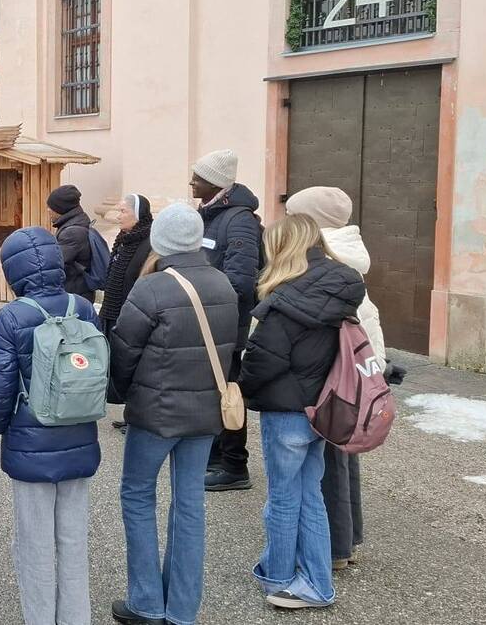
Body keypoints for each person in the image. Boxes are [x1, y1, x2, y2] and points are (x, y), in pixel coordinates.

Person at [107, 203, 238, 625]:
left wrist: (119, 394)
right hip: (205, 412)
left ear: (160, 240)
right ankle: (182, 609)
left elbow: (123, 351)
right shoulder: (223, 283)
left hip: (155, 412)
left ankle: (146, 601)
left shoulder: (151, 289)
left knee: (138, 494)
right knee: (189, 504)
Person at [240, 214, 364, 611]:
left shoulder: (287, 297)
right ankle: (317, 581)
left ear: (282, 247)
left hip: (286, 409)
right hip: (322, 407)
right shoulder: (341, 290)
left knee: (282, 497)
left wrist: (241, 386)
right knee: (310, 495)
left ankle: (279, 576)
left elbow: (264, 360)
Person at [0, 227, 101, 625]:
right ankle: (76, 617)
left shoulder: (13, 316)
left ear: (12, 271)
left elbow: (1, 387)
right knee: (73, 539)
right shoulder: (82, 307)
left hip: (30, 441)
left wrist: (1, 426)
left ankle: (40, 617)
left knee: (34, 542)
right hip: (80, 434)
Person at [283, 186, 382, 571]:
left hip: (330, 373)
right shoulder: (346, 253)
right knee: (341, 457)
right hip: (347, 372)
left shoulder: (327, 258)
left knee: (326, 464)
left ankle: (334, 548)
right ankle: (346, 540)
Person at [189, 149, 263, 492]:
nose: (192, 182)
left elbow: (241, 281)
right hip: (206, 319)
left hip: (224, 323)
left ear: (215, 183)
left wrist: (207, 302)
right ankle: (213, 456)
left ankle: (234, 465)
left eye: (198, 177)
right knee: (211, 390)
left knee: (228, 391)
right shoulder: (209, 213)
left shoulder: (239, 220)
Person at [99, 194, 155, 333]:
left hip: (132, 320)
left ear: (137, 214)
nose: (118, 217)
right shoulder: (123, 240)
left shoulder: (150, 244)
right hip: (111, 314)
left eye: (123, 211)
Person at [48, 184, 111, 304]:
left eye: (51, 207)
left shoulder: (72, 232)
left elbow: (55, 261)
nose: (48, 210)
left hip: (75, 295)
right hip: (77, 292)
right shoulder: (74, 224)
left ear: (61, 208)